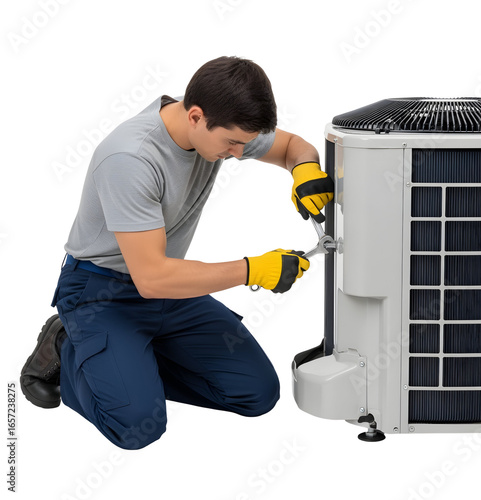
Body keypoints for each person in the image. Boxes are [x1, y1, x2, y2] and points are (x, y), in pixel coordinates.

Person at [20, 56, 334, 450]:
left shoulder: (220, 121)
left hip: (167, 284)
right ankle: (67, 344)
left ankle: (129, 366)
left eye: (245, 143)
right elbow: (150, 278)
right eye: (232, 143)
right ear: (197, 116)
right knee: (136, 427)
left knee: (256, 394)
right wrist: (253, 269)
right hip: (101, 291)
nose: (239, 153)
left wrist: (303, 169)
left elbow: (292, 146)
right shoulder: (130, 158)